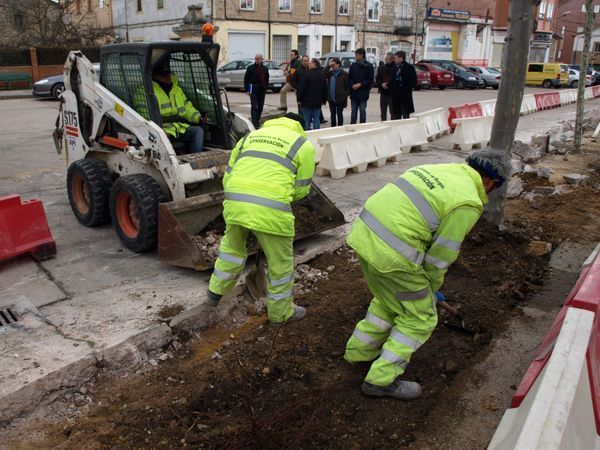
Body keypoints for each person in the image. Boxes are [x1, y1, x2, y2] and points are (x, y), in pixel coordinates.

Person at [343, 148, 511, 400]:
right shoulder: (467, 202)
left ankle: (358, 353)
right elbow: (440, 256)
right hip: (393, 253)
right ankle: (380, 380)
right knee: (420, 317)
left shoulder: (436, 169)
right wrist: (430, 287)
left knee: (388, 300)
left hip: (364, 235)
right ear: (491, 181)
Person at [207, 113, 315, 325]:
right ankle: (281, 314)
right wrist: (276, 198)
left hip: (235, 202)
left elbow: (228, 175)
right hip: (272, 210)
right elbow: (302, 190)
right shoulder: (303, 145)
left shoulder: (250, 137)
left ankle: (215, 292)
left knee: (231, 250)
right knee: (280, 265)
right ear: (299, 127)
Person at [150, 61, 206, 154]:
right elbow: (145, 114)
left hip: (179, 128)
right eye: (164, 75)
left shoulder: (177, 90)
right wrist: (160, 131)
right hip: (162, 130)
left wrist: (198, 117)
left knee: (198, 131)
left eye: (169, 73)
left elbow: (187, 107)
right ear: (156, 76)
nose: (168, 77)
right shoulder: (147, 91)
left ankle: (196, 159)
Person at [298, 58, 327, 130]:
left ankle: (307, 134)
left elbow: (302, 89)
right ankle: (316, 134)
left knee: (306, 120)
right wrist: (324, 100)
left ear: (314, 64)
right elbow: (325, 89)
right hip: (317, 102)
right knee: (316, 119)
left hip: (306, 101)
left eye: (310, 63)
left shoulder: (306, 75)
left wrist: (299, 99)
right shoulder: (322, 75)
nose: (308, 64)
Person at [348, 48, 374, 124]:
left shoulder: (369, 66)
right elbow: (349, 78)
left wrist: (361, 84)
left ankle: (362, 126)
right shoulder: (353, 65)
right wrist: (352, 85)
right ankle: (353, 126)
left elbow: (370, 80)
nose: (355, 56)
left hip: (363, 93)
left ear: (361, 55)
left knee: (362, 111)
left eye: (356, 55)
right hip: (354, 93)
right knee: (353, 111)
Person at [244, 54, 270, 129]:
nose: (257, 60)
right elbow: (246, 80)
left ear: (262, 59)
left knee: (260, 106)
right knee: (254, 106)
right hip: (253, 89)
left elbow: (267, 79)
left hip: (262, 90)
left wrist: (266, 87)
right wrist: (247, 90)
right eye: (256, 58)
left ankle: (257, 120)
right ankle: (255, 123)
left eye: (258, 59)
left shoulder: (265, 68)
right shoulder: (250, 68)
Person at [391, 51, 417, 120]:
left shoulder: (409, 68)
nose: (394, 60)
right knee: (397, 117)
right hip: (396, 97)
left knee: (405, 116)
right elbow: (392, 80)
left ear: (401, 58)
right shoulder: (394, 68)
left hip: (405, 97)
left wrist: (405, 88)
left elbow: (413, 82)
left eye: (395, 58)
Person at [326, 57, 350, 127]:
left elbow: (348, 86)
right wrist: (329, 66)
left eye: (334, 64)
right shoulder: (330, 73)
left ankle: (340, 127)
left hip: (340, 98)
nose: (333, 66)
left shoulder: (344, 74)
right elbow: (322, 73)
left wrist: (345, 95)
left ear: (338, 65)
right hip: (331, 98)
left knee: (339, 114)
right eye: (332, 64)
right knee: (332, 114)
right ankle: (333, 127)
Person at [376, 52, 396, 121]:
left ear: (392, 59)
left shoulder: (395, 68)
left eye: (387, 58)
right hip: (383, 93)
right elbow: (378, 78)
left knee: (393, 112)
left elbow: (395, 80)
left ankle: (393, 126)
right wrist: (381, 84)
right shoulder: (383, 68)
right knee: (383, 112)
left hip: (392, 94)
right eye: (385, 58)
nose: (385, 59)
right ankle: (383, 125)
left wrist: (388, 85)